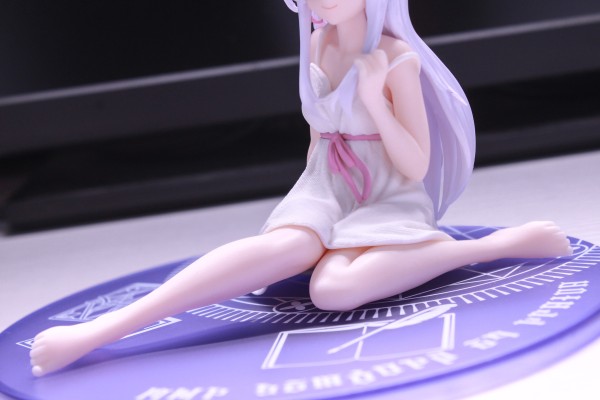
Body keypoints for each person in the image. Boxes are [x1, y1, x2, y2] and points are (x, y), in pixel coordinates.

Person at [29, 0, 571, 377]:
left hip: (386, 192)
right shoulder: (318, 43)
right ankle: (103, 331)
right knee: (286, 248)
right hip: (327, 182)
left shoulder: (397, 58)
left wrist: (376, 99)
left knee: (333, 291)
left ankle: (488, 247)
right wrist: (312, 210)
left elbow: (415, 163)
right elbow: (319, 134)